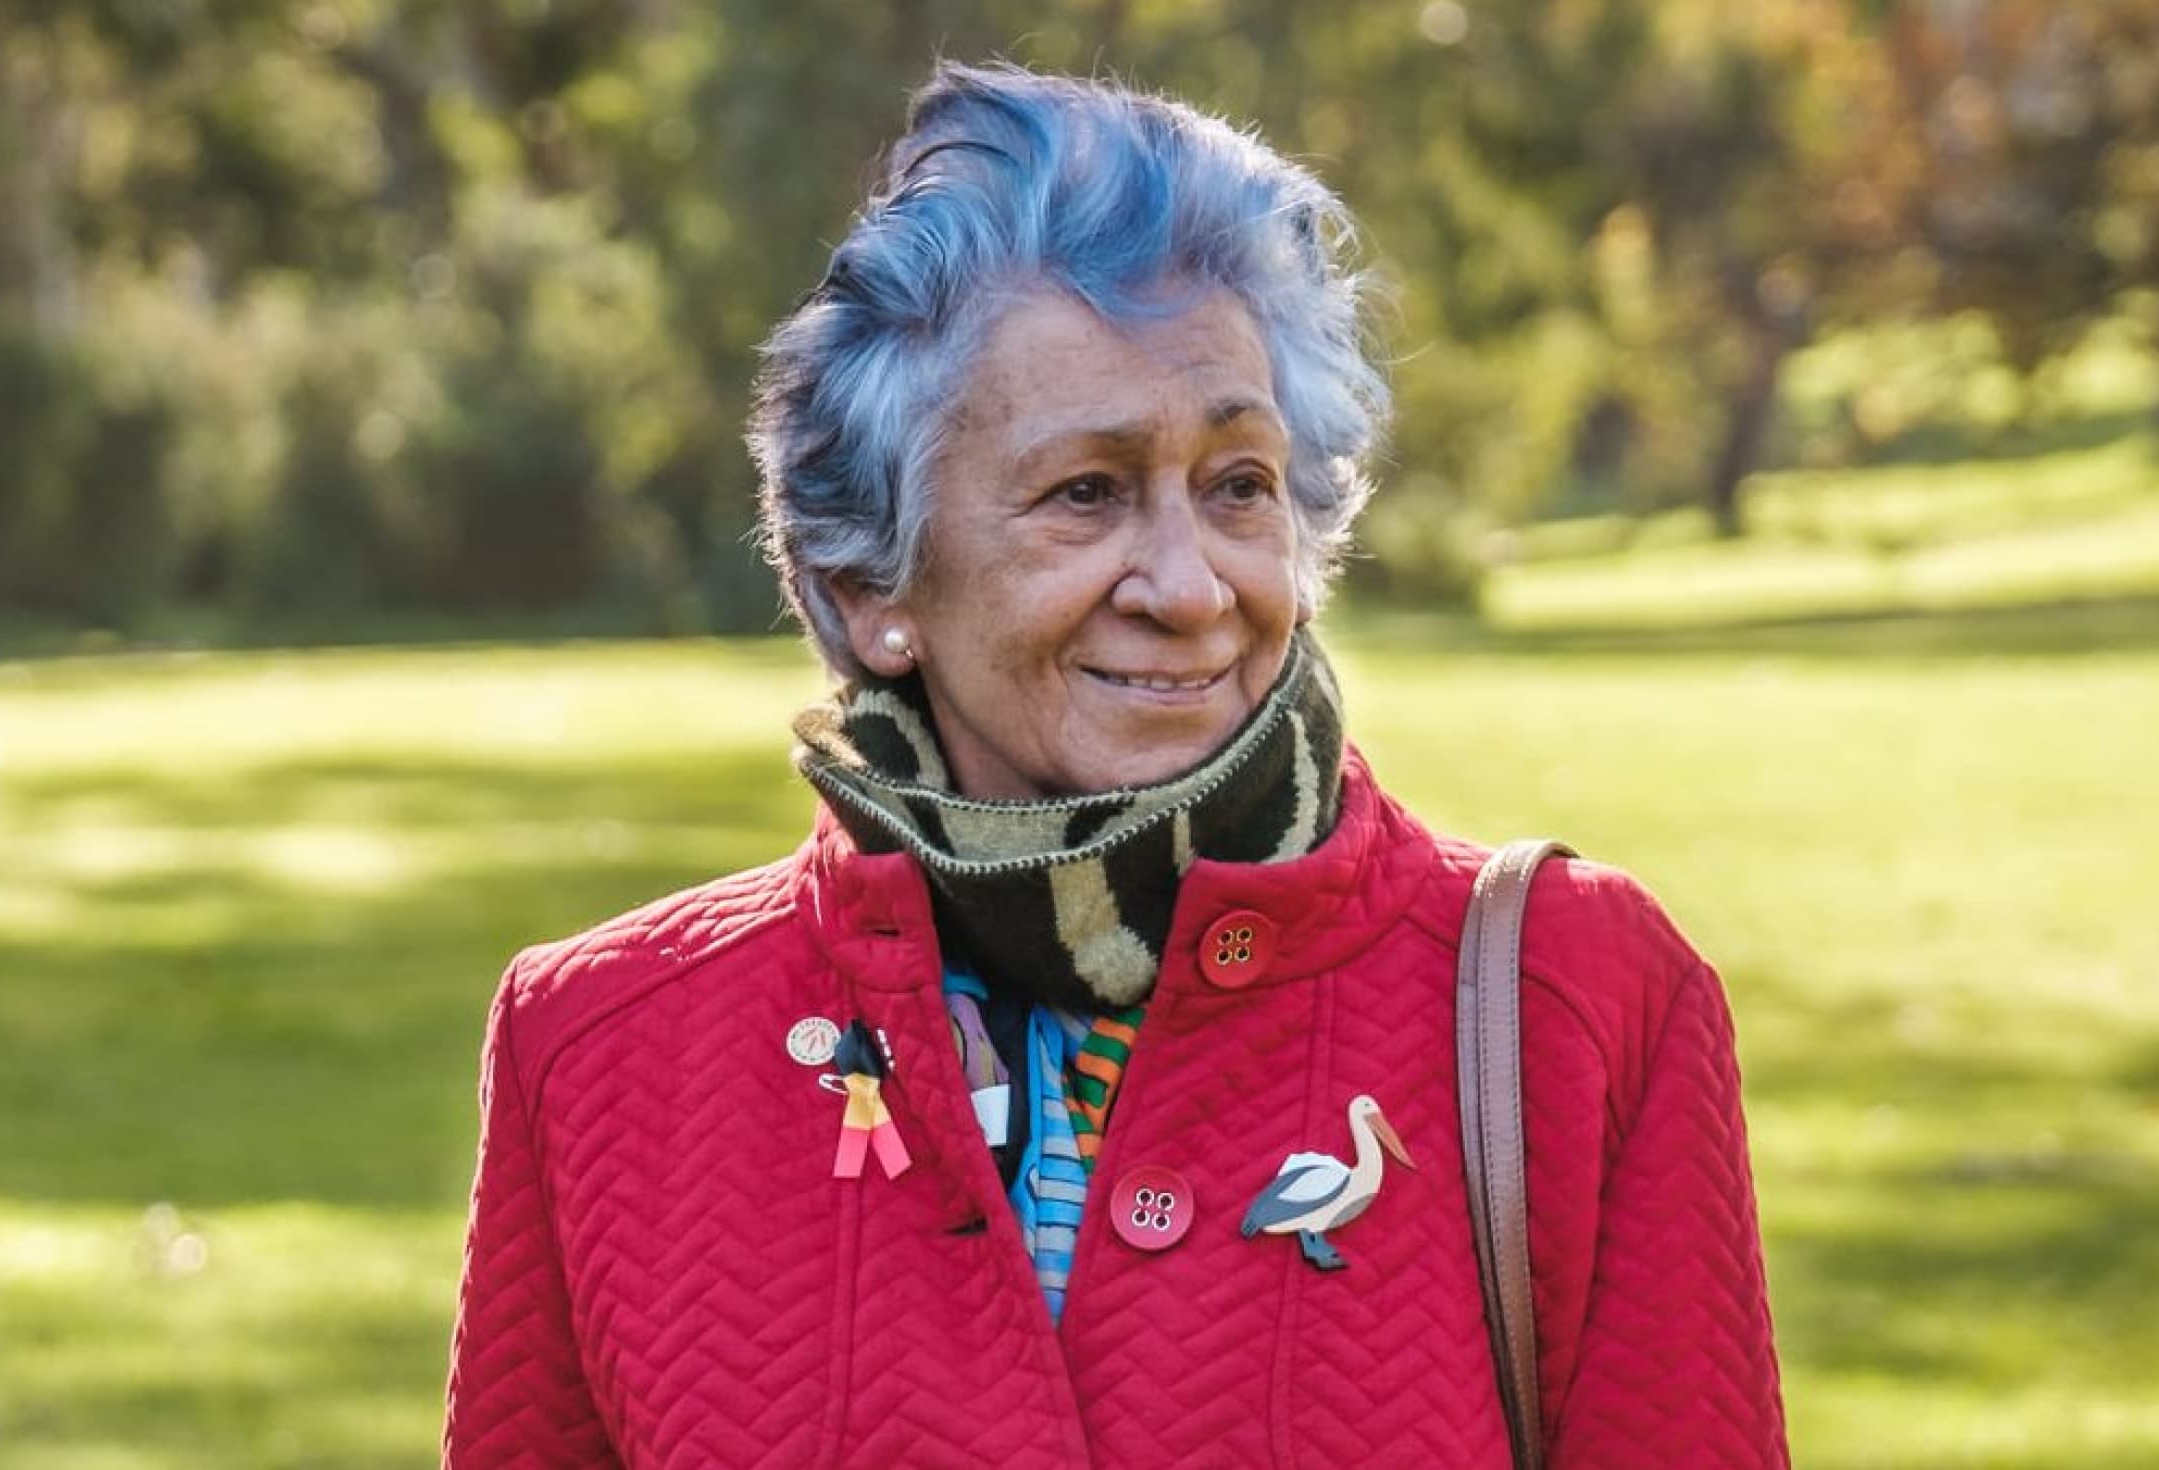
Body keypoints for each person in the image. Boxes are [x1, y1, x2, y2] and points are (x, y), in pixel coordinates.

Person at [441, 63, 1787, 1469]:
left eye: (1238, 485)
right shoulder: (603, 1051)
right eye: (1085, 492)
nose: (1191, 584)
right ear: (865, 584)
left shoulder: (1575, 1001)